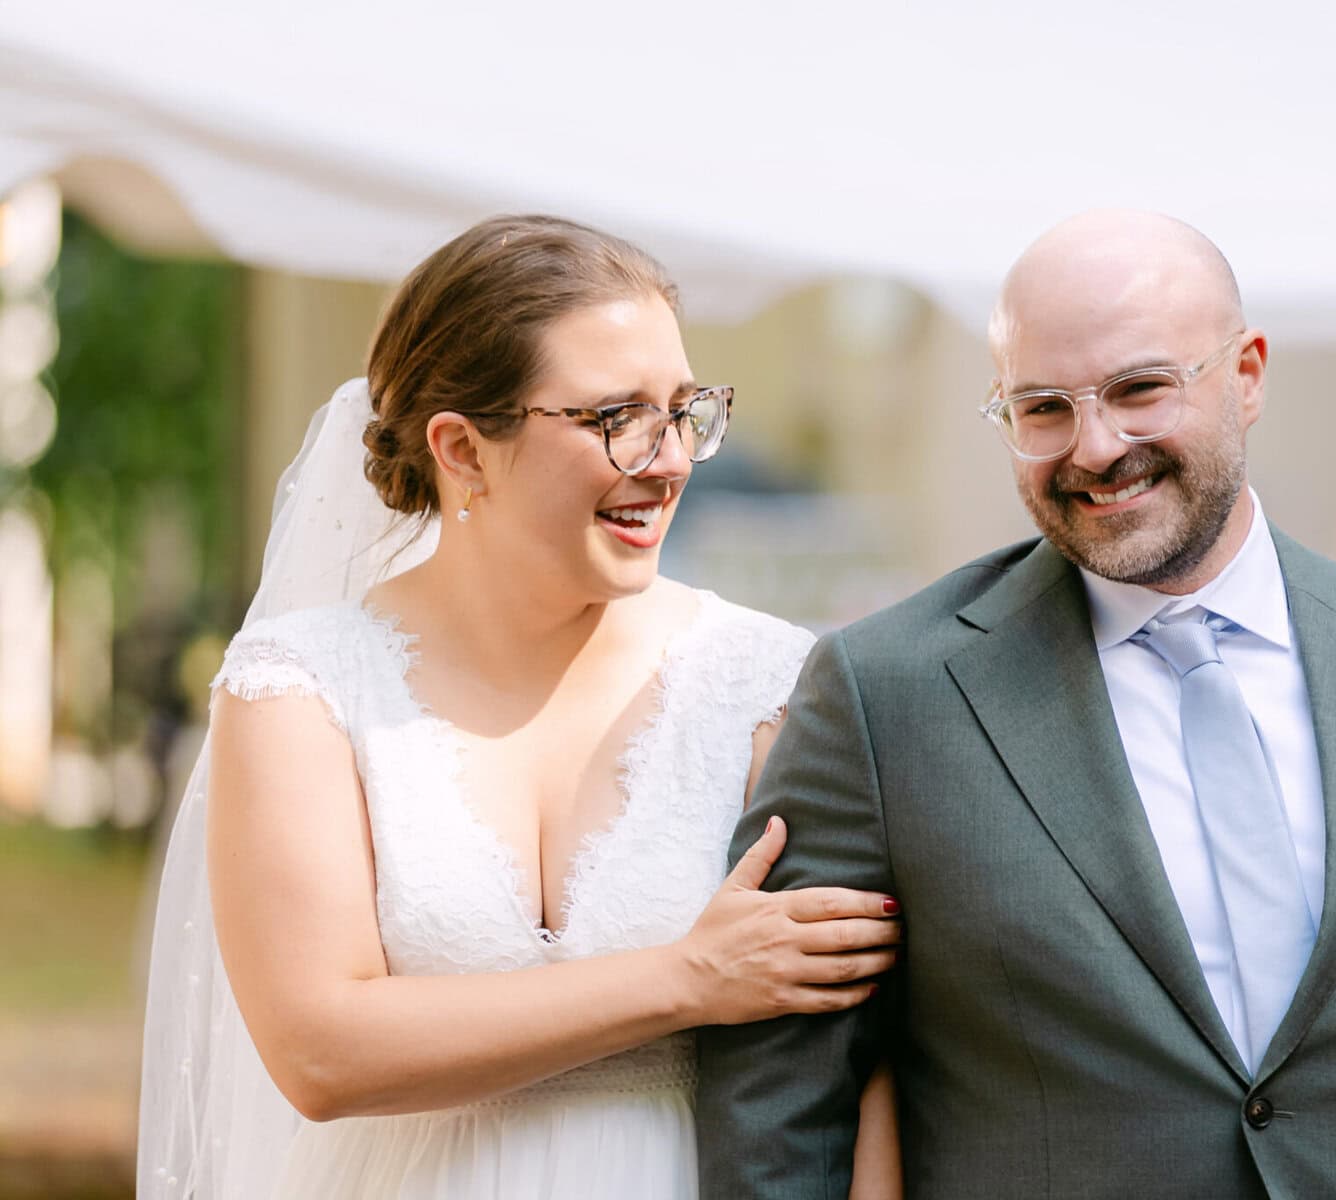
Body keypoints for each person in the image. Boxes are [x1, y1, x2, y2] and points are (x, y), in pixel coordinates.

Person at [696, 209, 1336, 1198]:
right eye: (1041, 408)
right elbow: (776, 1114)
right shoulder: (882, 696)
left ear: (1244, 374)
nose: (1094, 446)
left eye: (1139, 389)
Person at [137, 215, 904, 1198]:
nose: (667, 459)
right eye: (614, 418)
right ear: (461, 449)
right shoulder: (301, 687)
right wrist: (687, 979)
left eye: (683, 410)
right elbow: (322, 1053)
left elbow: (861, 1053)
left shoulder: (766, 681)